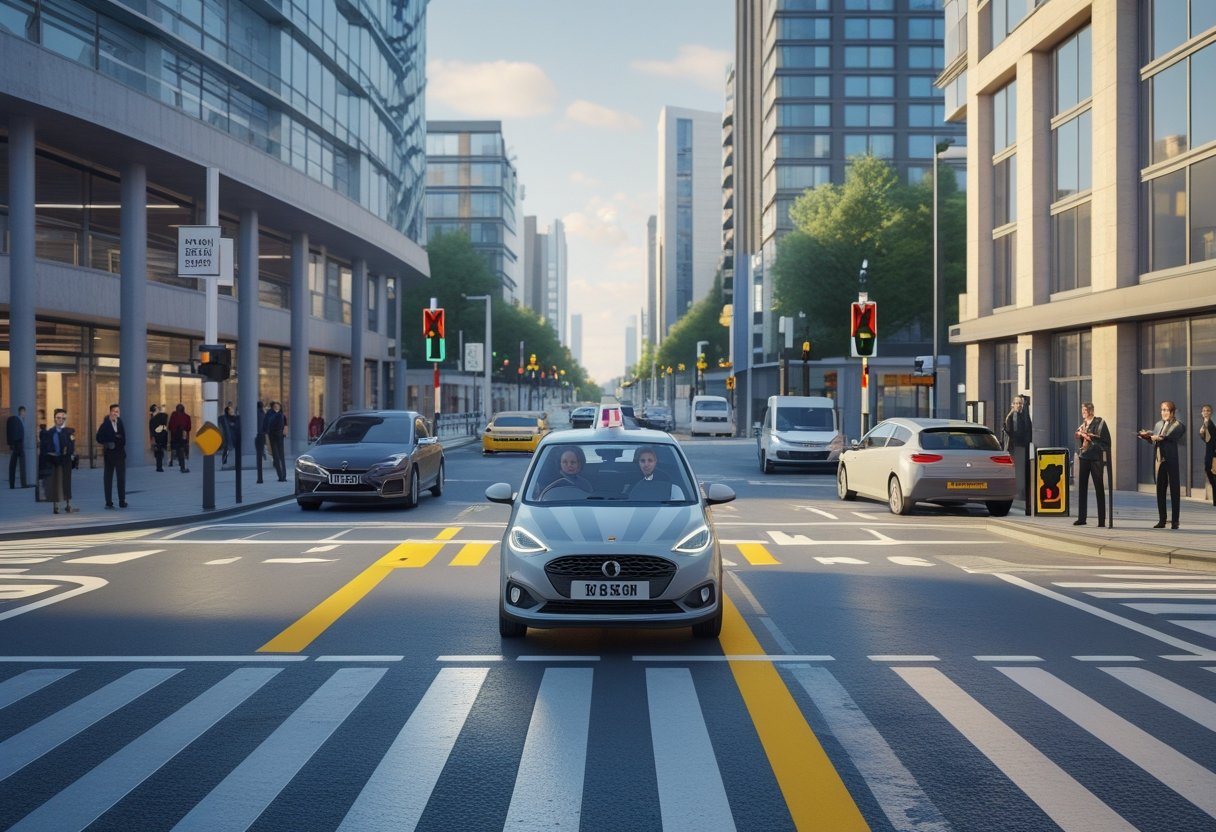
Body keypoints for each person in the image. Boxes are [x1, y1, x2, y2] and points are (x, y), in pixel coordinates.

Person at [1139, 400, 1186, 529]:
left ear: (1172, 412)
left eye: (1166, 410)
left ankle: (1175, 521)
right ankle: (1162, 520)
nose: (1163, 412)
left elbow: (1167, 436)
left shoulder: (1178, 425)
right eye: (1162, 410)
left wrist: (1156, 437)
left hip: (1171, 460)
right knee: (1160, 489)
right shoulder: (1158, 424)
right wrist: (1147, 436)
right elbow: (1155, 440)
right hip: (1159, 460)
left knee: (1174, 490)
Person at [1073, 402, 1110, 527]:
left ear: (1091, 411)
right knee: (1082, 488)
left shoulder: (1100, 423)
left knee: (1099, 488)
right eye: (1082, 409)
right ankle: (1081, 518)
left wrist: (1091, 438)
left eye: (1085, 410)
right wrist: (1080, 435)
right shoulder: (1083, 424)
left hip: (1095, 459)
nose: (1083, 412)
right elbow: (1078, 439)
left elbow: (1106, 442)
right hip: (1084, 457)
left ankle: (1101, 521)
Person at [40, 408, 78, 514]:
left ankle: (68, 504)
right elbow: (45, 448)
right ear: (54, 418)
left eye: (63, 418)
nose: (60, 420)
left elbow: (72, 446)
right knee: (55, 483)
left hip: (66, 460)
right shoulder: (50, 433)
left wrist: (70, 453)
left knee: (67, 482)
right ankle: (55, 505)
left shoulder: (69, 432)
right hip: (54, 460)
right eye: (58, 417)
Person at [96, 403, 128, 508]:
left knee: (121, 478)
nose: (116, 414)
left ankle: (122, 501)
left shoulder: (120, 422)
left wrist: (116, 439)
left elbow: (123, 438)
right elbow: (98, 438)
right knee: (108, 478)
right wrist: (108, 442)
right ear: (110, 412)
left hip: (120, 454)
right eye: (114, 411)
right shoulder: (105, 424)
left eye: (117, 412)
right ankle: (108, 502)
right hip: (109, 455)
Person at [1003, 395, 1033, 501]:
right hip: (1017, 447)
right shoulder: (1013, 417)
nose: (1019, 405)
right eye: (1017, 403)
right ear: (1013, 404)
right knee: (1019, 471)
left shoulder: (1023, 415)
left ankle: (1021, 492)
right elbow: (1014, 433)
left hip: (1022, 447)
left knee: (1021, 471)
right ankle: (1019, 492)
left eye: (1020, 403)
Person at [263, 400, 288, 482]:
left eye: (278, 406)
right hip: (272, 436)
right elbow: (266, 424)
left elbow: (285, 425)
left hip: (280, 436)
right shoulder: (270, 414)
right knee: (276, 456)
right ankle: (280, 476)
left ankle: (284, 476)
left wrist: (284, 433)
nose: (277, 407)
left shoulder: (282, 415)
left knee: (281, 456)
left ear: (280, 407)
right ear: (273, 407)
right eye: (275, 406)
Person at [7, 405, 28, 489]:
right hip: (19, 445)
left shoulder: (18, 420)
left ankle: (12, 484)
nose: (25, 414)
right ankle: (23, 484)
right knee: (21, 465)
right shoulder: (18, 420)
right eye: (24, 412)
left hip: (17, 445)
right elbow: (17, 434)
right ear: (22, 412)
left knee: (13, 465)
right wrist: (17, 445)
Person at [168, 403, 192, 473]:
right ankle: (182, 466)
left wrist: (174, 430)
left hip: (174, 436)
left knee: (173, 449)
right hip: (183, 436)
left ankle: (171, 462)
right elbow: (189, 428)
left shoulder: (173, 415)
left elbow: (169, 426)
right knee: (181, 450)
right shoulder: (187, 417)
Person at [1200, 404, 1216, 507]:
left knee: (1213, 474)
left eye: (1208, 410)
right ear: (1202, 413)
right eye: (1204, 410)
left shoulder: (1211, 424)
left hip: (1213, 453)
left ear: (1211, 413)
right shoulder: (1204, 424)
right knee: (1209, 471)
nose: (1206, 412)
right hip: (1209, 452)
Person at [149, 404, 169, 472]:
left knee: (158, 452)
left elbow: (152, 430)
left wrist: (153, 437)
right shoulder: (161, 417)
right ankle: (160, 465)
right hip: (161, 436)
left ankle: (159, 466)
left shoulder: (153, 419)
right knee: (160, 451)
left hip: (158, 436)